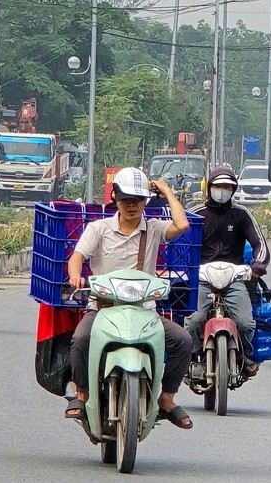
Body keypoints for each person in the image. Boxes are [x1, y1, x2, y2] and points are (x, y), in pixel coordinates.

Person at [64, 167, 194, 429]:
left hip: (143, 311)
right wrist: (75, 276)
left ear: (146, 201)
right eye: (126, 200)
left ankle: (166, 398)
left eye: (138, 200)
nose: (132, 206)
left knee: (183, 340)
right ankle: (81, 394)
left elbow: (182, 225)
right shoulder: (99, 229)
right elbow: (77, 257)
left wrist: (166, 190)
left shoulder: (155, 228)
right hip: (103, 309)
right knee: (80, 339)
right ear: (115, 199)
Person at [185, 165, 268, 377]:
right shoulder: (195, 214)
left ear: (233, 190)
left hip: (234, 279)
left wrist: (258, 266)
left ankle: (244, 356)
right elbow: (180, 244)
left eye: (227, 187)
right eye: (218, 186)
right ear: (209, 187)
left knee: (246, 323)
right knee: (193, 320)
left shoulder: (242, 214)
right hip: (201, 279)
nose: (222, 190)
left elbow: (259, 244)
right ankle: (191, 358)